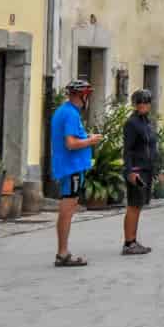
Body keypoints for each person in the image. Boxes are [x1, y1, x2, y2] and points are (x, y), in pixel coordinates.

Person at [49, 79, 102, 267]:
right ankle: (62, 253)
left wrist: (86, 137)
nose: (88, 98)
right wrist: (91, 141)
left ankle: (62, 252)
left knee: (68, 208)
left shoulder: (65, 112)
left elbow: (72, 138)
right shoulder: (70, 114)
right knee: (67, 209)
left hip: (69, 166)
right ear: (82, 96)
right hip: (71, 167)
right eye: (87, 94)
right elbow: (70, 143)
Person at [121, 88, 159, 256]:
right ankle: (129, 243)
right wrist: (130, 171)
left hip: (147, 169)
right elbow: (127, 150)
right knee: (133, 205)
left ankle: (133, 240)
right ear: (135, 105)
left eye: (146, 102)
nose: (143, 105)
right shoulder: (132, 123)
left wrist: (158, 168)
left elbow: (152, 147)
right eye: (140, 102)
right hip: (136, 170)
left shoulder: (147, 123)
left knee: (139, 205)